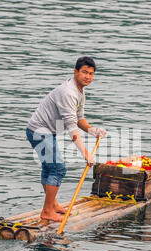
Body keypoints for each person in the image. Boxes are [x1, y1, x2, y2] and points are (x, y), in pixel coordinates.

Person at [26, 56, 107, 222]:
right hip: (39, 131)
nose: (88, 77)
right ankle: (47, 211)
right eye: (84, 72)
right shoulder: (68, 92)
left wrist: (93, 131)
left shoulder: (80, 91)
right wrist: (86, 153)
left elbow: (79, 118)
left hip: (48, 131)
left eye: (91, 74)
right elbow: (72, 127)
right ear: (75, 71)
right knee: (58, 169)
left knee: (50, 167)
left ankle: (52, 204)